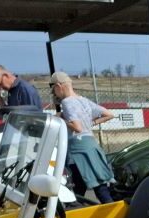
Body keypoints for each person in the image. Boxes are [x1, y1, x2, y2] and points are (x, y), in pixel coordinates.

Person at [49, 71, 116, 204]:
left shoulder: (67, 102)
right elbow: (109, 114)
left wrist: (60, 118)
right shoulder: (83, 100)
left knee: (84, 191)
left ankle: (112, 211)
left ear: (58, 86)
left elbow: (77, 127)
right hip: (91, 146)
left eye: (54, 90)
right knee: (96, 187)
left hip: (78, 151)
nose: (54, 94)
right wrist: (91, 123)